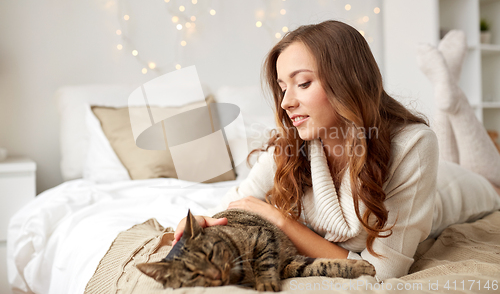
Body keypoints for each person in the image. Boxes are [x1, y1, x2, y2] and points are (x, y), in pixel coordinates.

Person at [173, 21, 500, 280]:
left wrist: (281, 221)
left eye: (302, 84)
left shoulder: (413, 145)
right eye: (282, 87)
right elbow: (239, 202)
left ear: (348, 81)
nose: (286, 103)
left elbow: (380, 271)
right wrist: (201, 223)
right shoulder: (291, 147)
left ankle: (451, 96)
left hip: (458, 188)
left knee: (490, 175)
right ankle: (449, 92)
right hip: (425, 180)